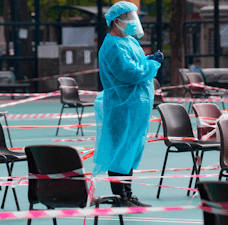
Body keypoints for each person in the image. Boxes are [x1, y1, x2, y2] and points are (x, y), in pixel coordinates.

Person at [93, 1, 163, 207]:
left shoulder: (130, 41)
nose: (134, 22)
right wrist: (153, 64)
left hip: (135, 107)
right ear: (117, 20)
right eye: (129, 18)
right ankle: (120, 197)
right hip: (122, 107)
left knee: (131, 151)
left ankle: (128, 194)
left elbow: (137, 64)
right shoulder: (112, 45)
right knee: (119, 151)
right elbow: (130, 73)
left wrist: (147, 60)